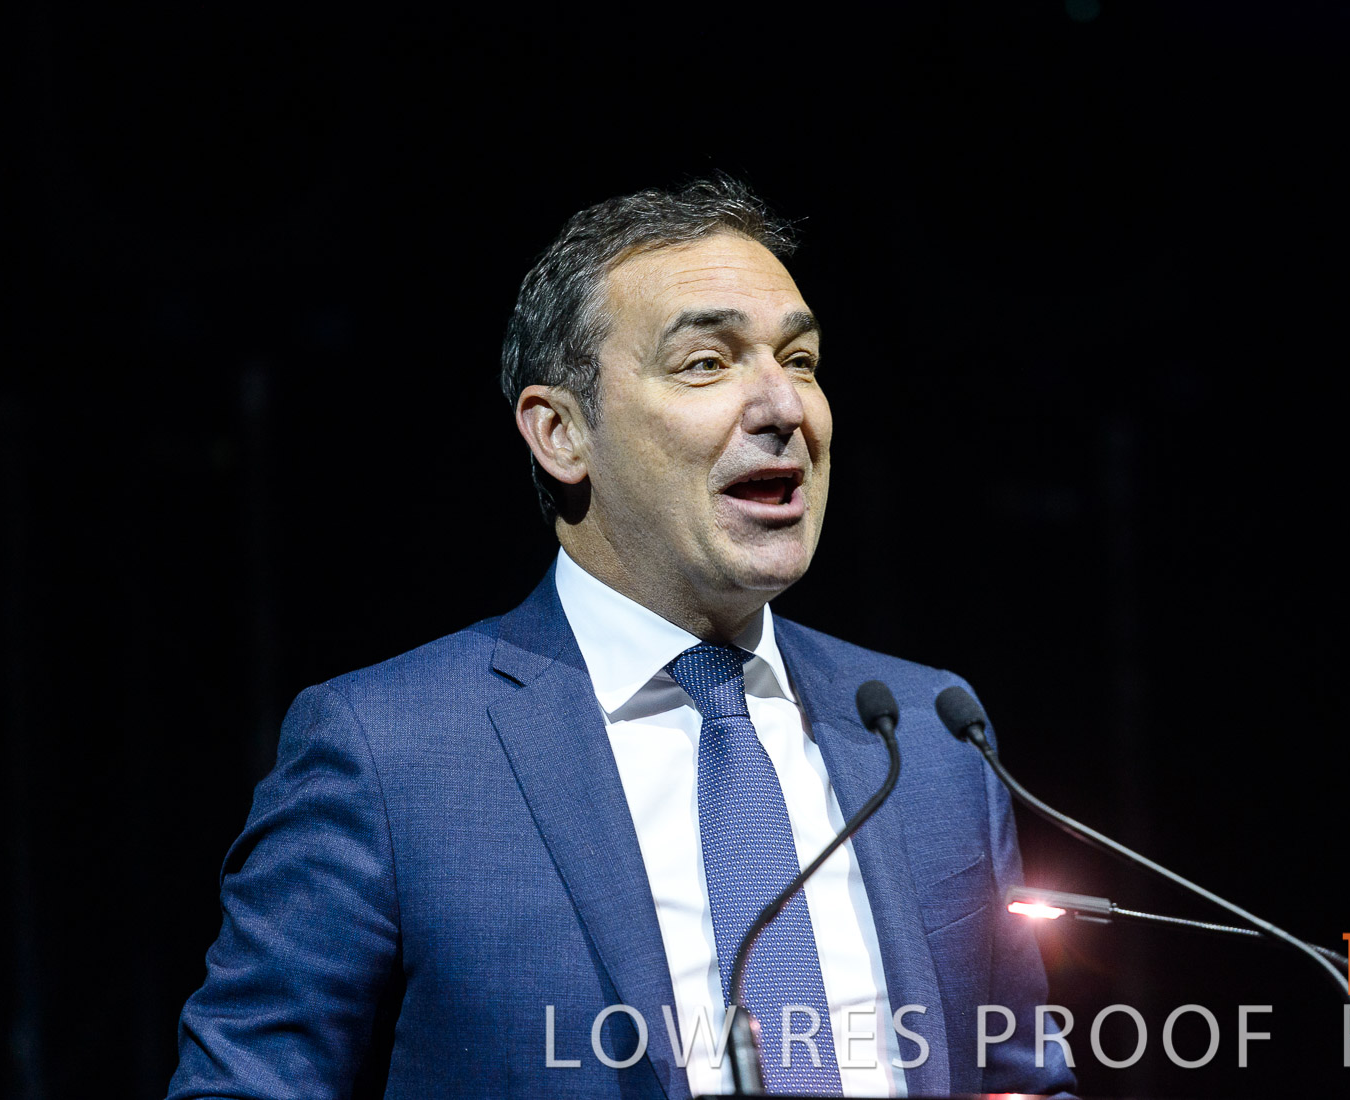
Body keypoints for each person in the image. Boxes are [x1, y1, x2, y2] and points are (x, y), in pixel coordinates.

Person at [167, 178, 1074, 1100]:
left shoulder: (928, 733)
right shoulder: (392, 751)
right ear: (560, 434)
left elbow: (1023, 1082)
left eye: (800, 360)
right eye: (706, 363)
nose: (784, 407)